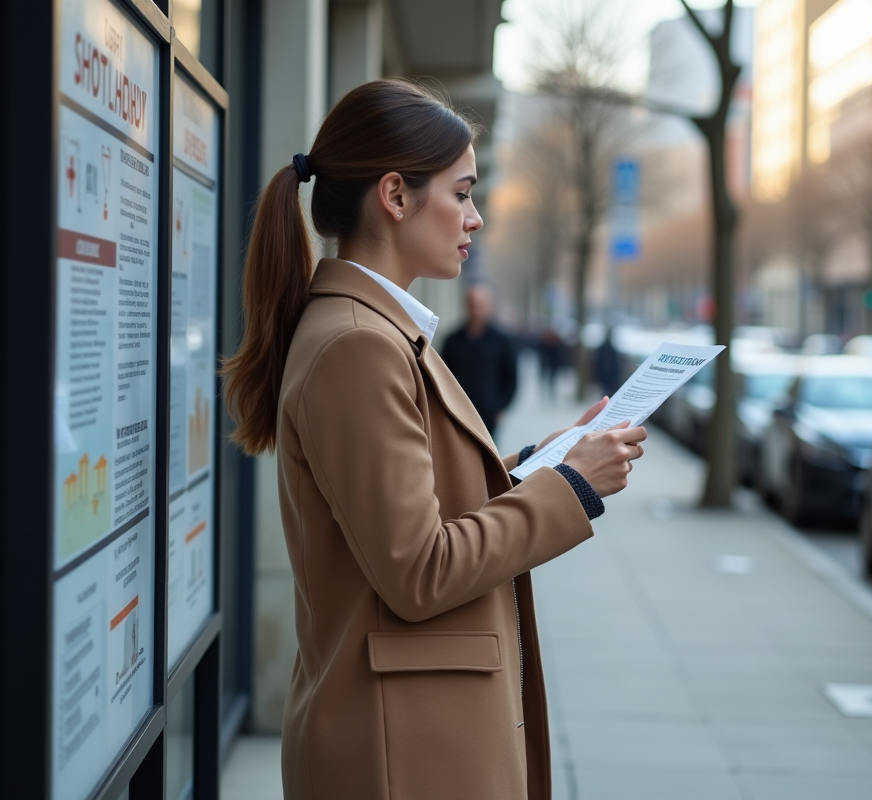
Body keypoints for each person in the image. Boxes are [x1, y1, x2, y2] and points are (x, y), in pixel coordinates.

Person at [220, 79, 647, 800]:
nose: (475, 217)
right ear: (395, 195)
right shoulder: (358, 345)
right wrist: (571, 486)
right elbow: (419, 570)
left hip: (411, 734)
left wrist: (544, 461)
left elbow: (417, 505)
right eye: (462, 193)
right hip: (403, 751)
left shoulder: (373, 332)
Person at [441, 284, 518, 433]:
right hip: (458, 410)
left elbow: (511, 377)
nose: (476, 310)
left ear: (489, 306)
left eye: (480, 305)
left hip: (488, 413)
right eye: (472, 304)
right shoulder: (452, 340)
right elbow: (443, 375)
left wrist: (501, 407)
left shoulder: (502, 340)